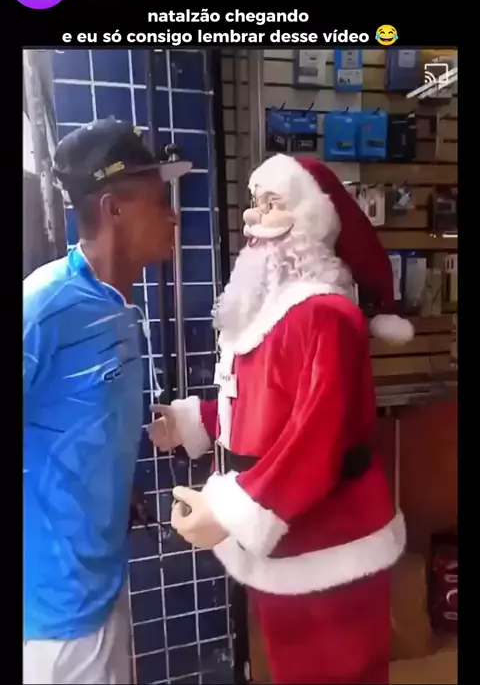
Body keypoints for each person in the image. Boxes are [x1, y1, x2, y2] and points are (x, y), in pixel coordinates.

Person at [148, 154, 412, 685]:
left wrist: (228, 511)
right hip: (283, 540)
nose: (253, 217)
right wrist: (195, 420)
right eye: (254, 202)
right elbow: (262, 410)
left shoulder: (325, 317)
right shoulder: (271, 316)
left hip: (331, 543)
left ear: (313, 218)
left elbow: (316, 438)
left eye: (272, 204)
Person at [23, 119, 191, 685]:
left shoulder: (118, 307)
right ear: (114, 208)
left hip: (104, 582)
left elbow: (79, 425)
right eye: (160, 200)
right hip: (55, 615)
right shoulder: (43, 308)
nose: (174, 217)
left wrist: (113, 493)